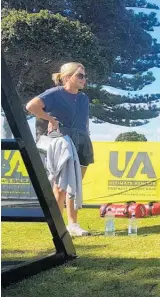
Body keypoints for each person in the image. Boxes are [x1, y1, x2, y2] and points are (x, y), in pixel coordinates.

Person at [25, 62, 93, 237]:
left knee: (75, 184)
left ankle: (73, 224)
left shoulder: (84, 98)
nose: (84, 79)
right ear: (67, 77)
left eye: (84, 76)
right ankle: (57, 226)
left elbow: (84, 121)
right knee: (60, 186)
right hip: (62, 142)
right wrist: (50, 119)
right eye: (80, 75)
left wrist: (86, 136)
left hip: (82, 141)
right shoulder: (55, 93)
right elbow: (31, 106)